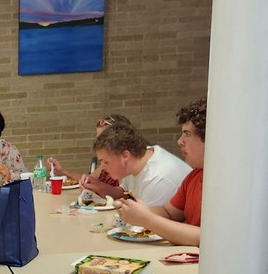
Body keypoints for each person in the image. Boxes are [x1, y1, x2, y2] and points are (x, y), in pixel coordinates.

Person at [116, 98, 206, 246]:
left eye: (187, 134)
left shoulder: (228, 185)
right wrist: (136, 210)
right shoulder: (194, 175)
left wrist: (146, 219)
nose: (180, 141)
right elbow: (169, 213)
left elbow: (204, 237)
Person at [91, 122, 190, 206]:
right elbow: (124, 193)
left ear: (125, 156)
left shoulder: (156, 178)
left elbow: (148, 220)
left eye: (106, 162)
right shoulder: (137, 159)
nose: (102, 167)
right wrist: (97, 186)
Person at [49, 114, 132, 196]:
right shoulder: (105, 163)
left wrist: (98, 186)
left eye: (102, 139)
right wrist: (63, 171)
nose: (98, 143)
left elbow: (122, 194)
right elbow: (90, 179)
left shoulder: (123, 165)